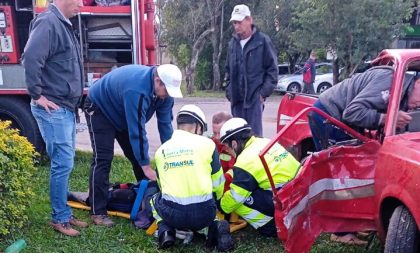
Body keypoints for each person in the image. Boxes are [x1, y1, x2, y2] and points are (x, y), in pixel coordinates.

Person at [83, 64, 182, 227]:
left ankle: (149, 201)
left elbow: (165, 126)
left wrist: (171, 156)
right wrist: (146, 166)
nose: (167, 96)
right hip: (100, 107)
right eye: (166, 91)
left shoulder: (166, 95)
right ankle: (98, 211)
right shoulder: (137, 89)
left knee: (137, 158)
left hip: (123, 111)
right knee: (103, 158)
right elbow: (137, 130)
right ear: (158, 82)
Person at [22, 0, 87, 237]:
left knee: (65, 163)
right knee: (63, 163)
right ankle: (59, 218)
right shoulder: (49, 21)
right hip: (53, 108)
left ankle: (65, 213)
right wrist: (36, 94)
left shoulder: (62, 23)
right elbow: (30, 57)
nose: (82, 4)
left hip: (65, 107)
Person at [150, 105, 234, 252]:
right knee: (208, 218)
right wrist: (215, 201)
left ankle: (165, 230)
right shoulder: (208, 145)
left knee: (154, 199)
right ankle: (214, 227)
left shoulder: (161, 151)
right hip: (204, 213)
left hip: (173, 216)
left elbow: (161, 187)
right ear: (197, 126)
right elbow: (218, 182)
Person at [218, 118, 300, 237]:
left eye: (227, 147)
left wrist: (220, 204)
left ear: (234, 144)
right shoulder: (264, 141)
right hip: (298, 197)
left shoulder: (245, 160)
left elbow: (235, 198)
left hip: (284, 202)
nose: (228, 152)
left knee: (238, 200)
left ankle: (271, 227)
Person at [309, 66, 419, 152]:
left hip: (337, 114)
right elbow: (351, 113)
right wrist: (387, 119)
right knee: (339, 168)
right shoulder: (390, 81)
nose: (418, 105)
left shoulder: (402, 91)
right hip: (328, 113)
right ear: (418, 82)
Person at [225, 4, 278, 137]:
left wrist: (262, 94)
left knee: (255, 139)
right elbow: (227, 71)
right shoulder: (232, 44)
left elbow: (272, 71)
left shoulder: (263, 41)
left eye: (239, 22)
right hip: (236, 101)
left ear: (249, 20)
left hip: (254, 100)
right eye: (234, 23)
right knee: (237, 139)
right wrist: (229, 92)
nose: (236, 26)